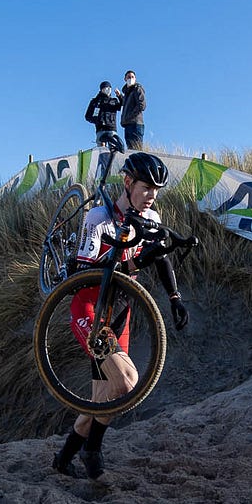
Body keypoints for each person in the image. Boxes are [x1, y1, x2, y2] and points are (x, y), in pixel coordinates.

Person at [53, 151, 190, 480]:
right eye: (146, 188)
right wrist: (135, 262)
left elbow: (160, 257)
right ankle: (92, 450)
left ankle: (69, 456)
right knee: (127, 382)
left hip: (121, 311)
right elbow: (85, 274)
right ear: (128, 183)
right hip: (91, 308)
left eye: (157, 190)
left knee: (106, 395)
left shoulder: (151, 216)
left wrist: (175, 298)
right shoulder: (98, 218)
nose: (152, 196)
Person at [120, 70, 146, 150]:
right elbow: (126, 104)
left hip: (136, 124)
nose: (130, 78)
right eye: (128, 77)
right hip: (127, 124)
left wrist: (131, 115)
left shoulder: (137, 89)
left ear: (135, 78)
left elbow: (142, 105)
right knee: (130, 150)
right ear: (125, 79)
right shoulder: (127, 93)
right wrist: (120, 96)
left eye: (132, 77)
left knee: (137, 149)